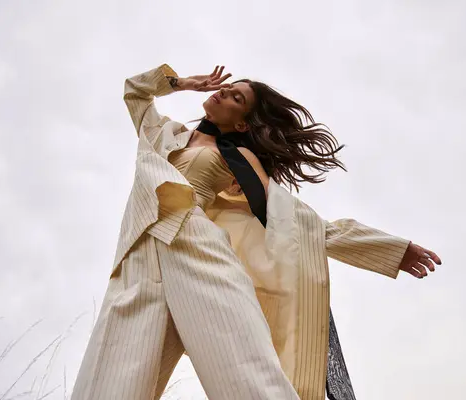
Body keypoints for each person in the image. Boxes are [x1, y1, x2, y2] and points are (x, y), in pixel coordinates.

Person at [71, 65, 442, 400]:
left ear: (243, 123)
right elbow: (135, 91)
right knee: (111, 380)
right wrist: (182, 83)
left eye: (236, 97)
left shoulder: (238, 159)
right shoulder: (162, 133)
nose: (223, 93)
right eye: (227, 88)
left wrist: (389, 250)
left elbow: (295, 223)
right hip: (138, 262)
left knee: (247, 375)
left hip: (198, 253)